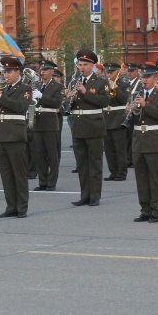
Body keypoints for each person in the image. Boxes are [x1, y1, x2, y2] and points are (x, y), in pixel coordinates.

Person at [0, 56, 32, 218]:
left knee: (18, 173)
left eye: (9, 71)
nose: (6, 75)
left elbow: (19, 107)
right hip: (1, 134)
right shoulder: (2, 89)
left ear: (17, 71)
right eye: (4, 71)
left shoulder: (25, 88)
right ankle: (11, 206)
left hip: (15, 134)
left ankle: (22, 206)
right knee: (6, 174)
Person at [66, 48, 110, 207]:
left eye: (85, 64)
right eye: (80, 64)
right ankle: (84, 195)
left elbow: (104, 102)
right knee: (82, 164)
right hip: (78, 126)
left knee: (95, 162)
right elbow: (68, 105)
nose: (82, 67)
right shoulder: (73, 82)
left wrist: (85, 92)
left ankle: (95, 195)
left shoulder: (101, 82)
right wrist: (67, 98)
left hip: (93, 125)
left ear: (92, 65)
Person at [130, 62, 158, 223]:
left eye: (147, 77)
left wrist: (145, 105)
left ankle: (156, 211)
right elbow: (135, 118)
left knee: (155, 178)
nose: (144, 80)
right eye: (142, 77)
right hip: (138, 140)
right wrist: (131, 110)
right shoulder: (136, 94)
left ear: (155, 78)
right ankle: (145, 210)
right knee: (141, 178)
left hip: (154, 140)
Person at [31, 60, 64, 191]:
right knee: (39, 155)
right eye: (41, 70)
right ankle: (42, 181)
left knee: (52, 155)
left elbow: (56, 102)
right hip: (38, 123)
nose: (42, 72)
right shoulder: (38, 86)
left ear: (52, 72)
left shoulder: (58, 87)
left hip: (50, 123)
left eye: (45, 70)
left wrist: (42, 96)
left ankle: (51, 182)